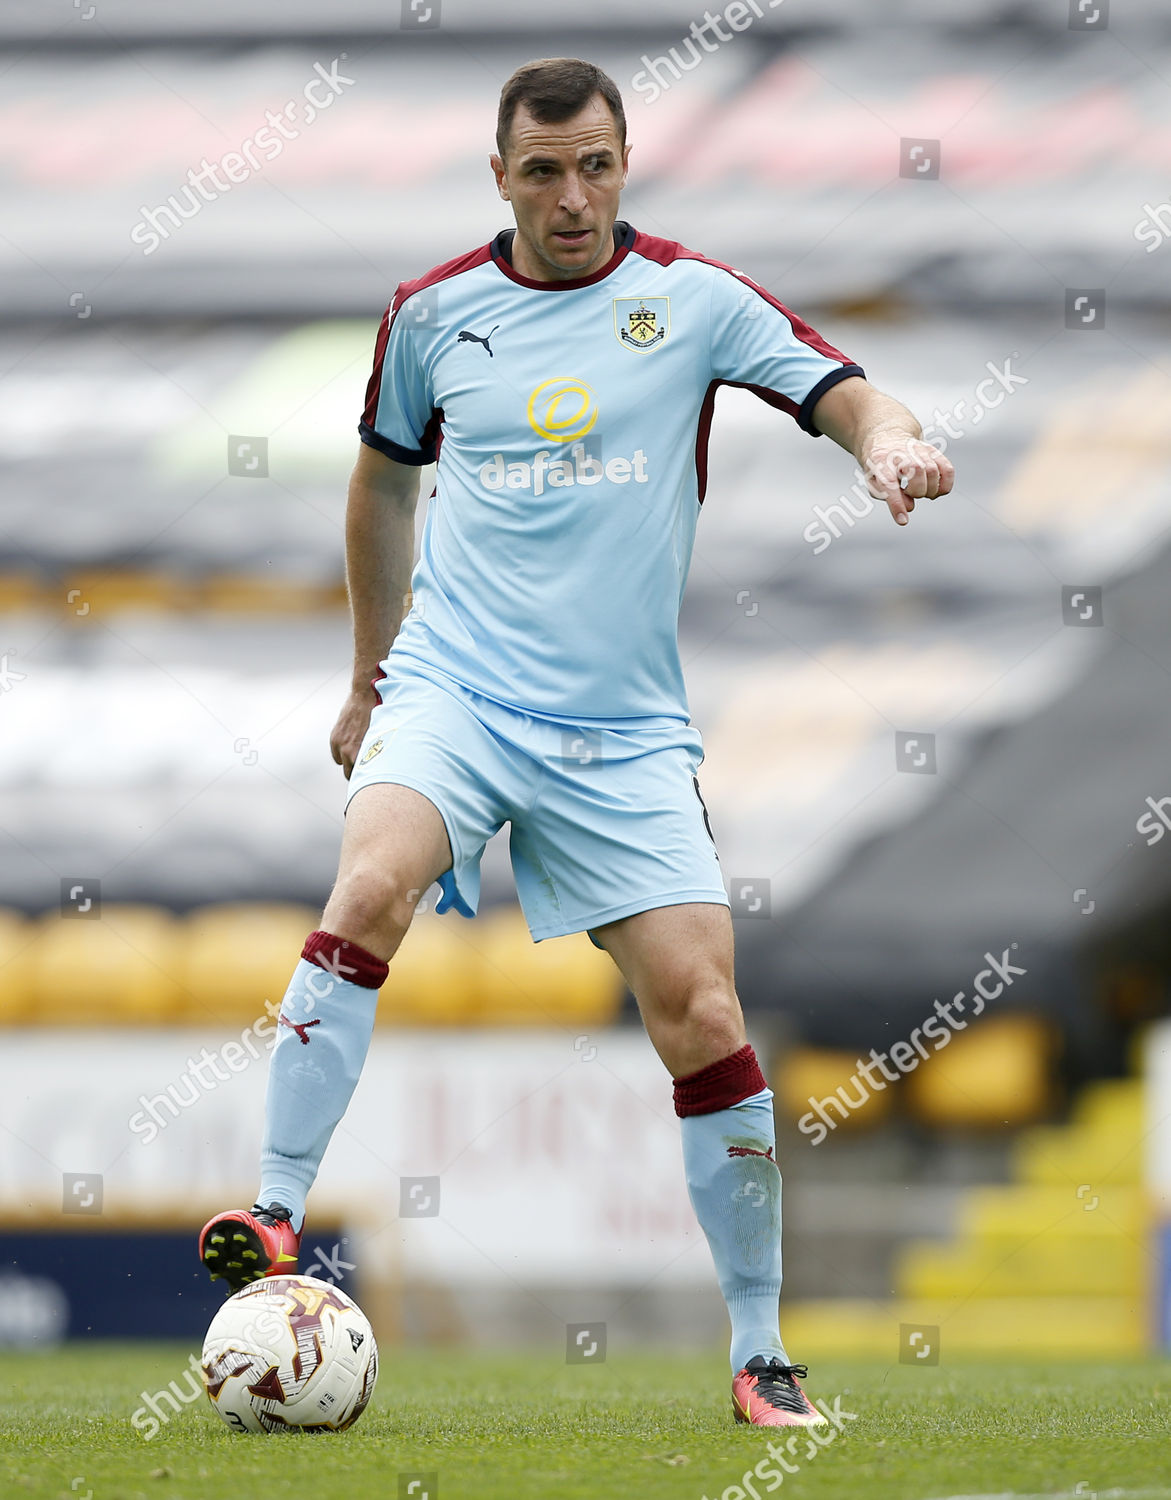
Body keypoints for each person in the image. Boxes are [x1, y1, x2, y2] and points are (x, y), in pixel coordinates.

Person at [198, 56, 954, 1428]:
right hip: (457, 689)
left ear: (626, 162)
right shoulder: (431, 317)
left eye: (596, 164)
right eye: (543, 171)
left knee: (706, 1015)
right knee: (369, 885)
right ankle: (274, 1212)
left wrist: (890, 448)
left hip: (619, 733)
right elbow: (379, 489)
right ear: (500, 176)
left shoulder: (695, 297)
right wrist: (371, 682)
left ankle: (759, 1353)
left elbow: (847, 390)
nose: (573, 196)